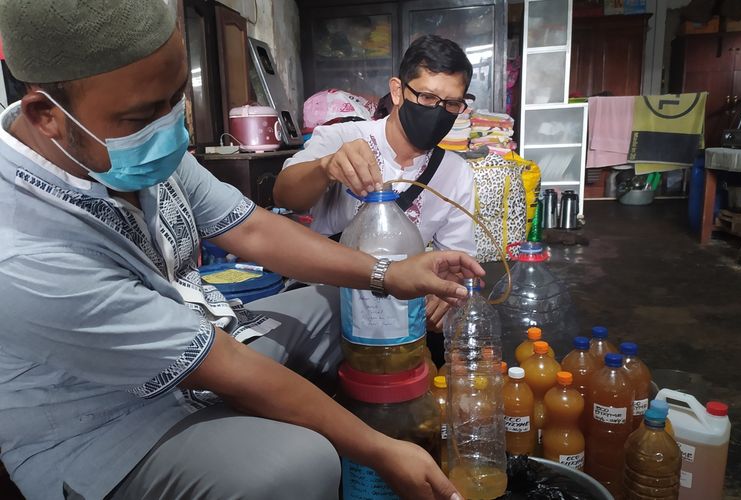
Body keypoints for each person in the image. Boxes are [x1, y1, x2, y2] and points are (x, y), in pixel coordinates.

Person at [0, 2, 482, 499]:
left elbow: (253, 230)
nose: (170, 127)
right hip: (108, 426)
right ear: (46, 116)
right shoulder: (21, 254)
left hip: (206, 333)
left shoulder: (130, 149)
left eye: (175, 101)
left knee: (357, 305)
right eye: (145, 114)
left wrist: (386, 275)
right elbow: (223, 362)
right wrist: (378, 448)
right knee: (298, 464)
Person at [274, 35, 476, 331]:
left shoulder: (456, 173)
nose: (438, 111)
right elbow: (285, 195)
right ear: (397, 91)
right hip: (326, 297)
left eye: (452, 103)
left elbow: (457, 260)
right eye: (427, 98)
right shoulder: (341, 138)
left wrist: (449, 285)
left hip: (399, 307)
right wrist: (325, 167)